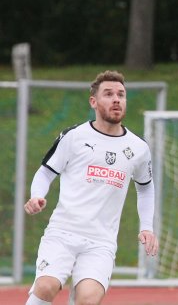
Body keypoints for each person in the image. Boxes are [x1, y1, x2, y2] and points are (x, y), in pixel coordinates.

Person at [23, 70, 158, 305]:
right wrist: (37, 196)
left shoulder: (138, 148)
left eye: (121, 94)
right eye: (108, 94)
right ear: (93, 102)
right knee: (46, 287)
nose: (116, 99)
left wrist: (147, 227)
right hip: (62, 233)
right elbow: (45, 172)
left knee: (88, 299)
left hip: (101, 242)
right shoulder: (74, 137)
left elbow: (145, 188)